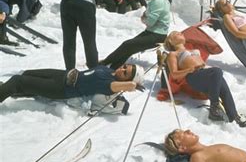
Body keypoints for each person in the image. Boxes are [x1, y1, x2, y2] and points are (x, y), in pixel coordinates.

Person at [164, 31, 246, 127]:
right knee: (217, 71)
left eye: (179, 33)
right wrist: (189, 70)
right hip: (193, 77)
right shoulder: (173, 54)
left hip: (205, 74)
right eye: (175, 34)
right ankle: (214, 107)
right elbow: (174, 74)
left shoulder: (192, 50)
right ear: (171, 41)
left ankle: (234, 117)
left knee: (224, 88)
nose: (179, 33)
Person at [100, 0, 169, 69]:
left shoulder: (157, 2)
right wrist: (146, 16)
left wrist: (143, 18)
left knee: (127, 45)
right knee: (129, 48)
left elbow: (150, 22)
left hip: (157, 35)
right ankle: (112, 68)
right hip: (153, 32)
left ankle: (104, 64)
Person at [0, 63, 144, 104]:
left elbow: (125, 87)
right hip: (63, 75)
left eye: (125, 73)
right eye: (125, 66)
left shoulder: (111, 85)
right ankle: (10, 91)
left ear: (126, 80)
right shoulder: (110, 71)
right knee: (27, 74)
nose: (122, 69)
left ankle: (7, 90)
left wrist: (131, 85)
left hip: (61, 89)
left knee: (17, 81)